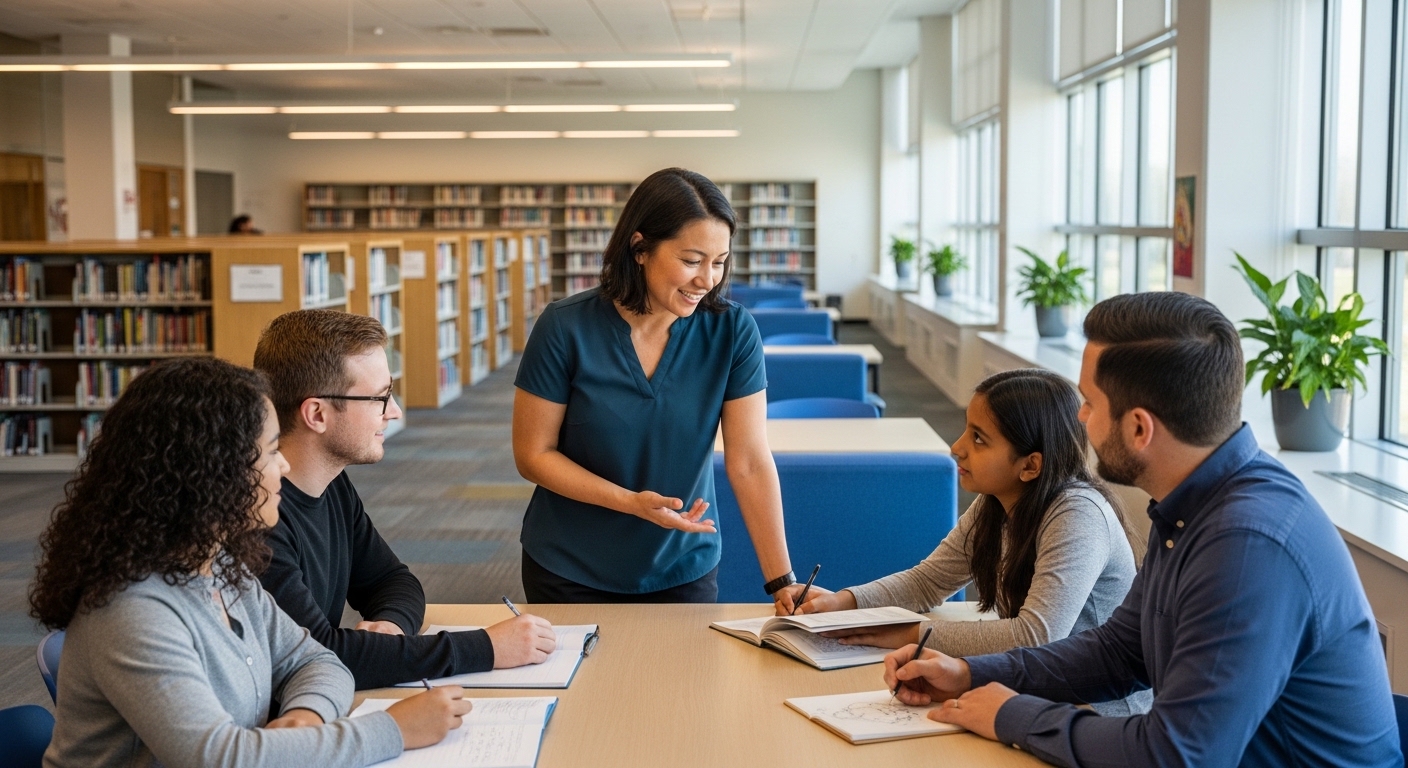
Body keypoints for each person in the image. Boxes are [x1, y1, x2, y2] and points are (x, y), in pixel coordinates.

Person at [881, 292, 1400, 767]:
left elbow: (1176, 756)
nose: (1079, 418)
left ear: (1138, 428)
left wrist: (1011, 714)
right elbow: (1118, 652)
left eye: (1088, 402)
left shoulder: (1246, 544)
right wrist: (971, 675)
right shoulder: (1195, 505)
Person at [31, 358, 470, 767]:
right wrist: (395, 729)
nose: (283, 465)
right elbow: (221, 758)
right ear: (211, 472)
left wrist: (306, 716)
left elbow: (318, 662)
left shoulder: (221, 568)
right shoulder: (131, 611)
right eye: (270, 450)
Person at [778, 368, 1148, 717]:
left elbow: (1035, 635)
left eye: (978, 439)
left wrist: (902, 633)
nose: (957, 447)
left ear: (1031, 466)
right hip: (1038, 693)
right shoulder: (998, 501)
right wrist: (844, 602)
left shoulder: (1077, 514)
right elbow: (928, 581)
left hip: (1100, 711)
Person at [513, 167, 795, 604]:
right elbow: (533, 455)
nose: (707, 279)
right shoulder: (565, 327)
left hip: (682, 564)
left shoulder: (732, 331)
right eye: (691, 260)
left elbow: (750, 462)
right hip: (569, 567)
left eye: (719, 262)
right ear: (640, 248)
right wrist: (630, 502)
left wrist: (782, 581)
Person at [253, 310, 556, 690]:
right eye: (380, 398)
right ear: (317, 413)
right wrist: (487, 648)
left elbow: (391, 580)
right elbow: (317, 654)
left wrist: (392, 626)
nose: (393, 412)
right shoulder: (259, 519)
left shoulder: (332, 485)